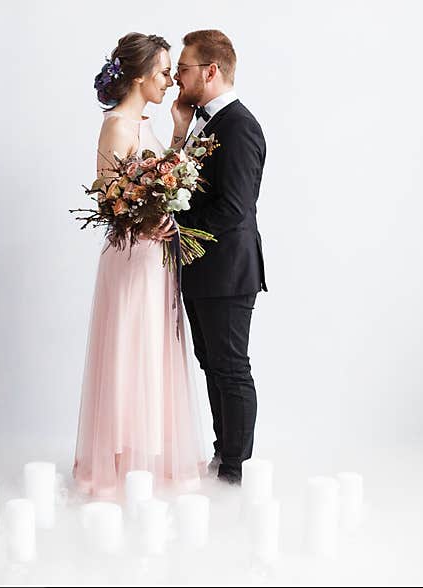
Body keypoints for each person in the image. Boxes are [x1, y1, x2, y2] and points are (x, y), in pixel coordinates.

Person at [72, 33, 208, 499]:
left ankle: (149, 453)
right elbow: (109, 199)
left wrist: (175, 129)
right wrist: (148, 222)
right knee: (130, 347)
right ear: (140, 76)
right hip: (132, 260)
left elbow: (164, 174)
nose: (172, 80)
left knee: (154, 348)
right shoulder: (117, 125)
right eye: (165, 72)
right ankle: (118, 462)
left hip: (156, 261)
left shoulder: (144, 122)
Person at [172, 30, 268, 485]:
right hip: (203, 270)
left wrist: (175, 230)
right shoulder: (205, 122)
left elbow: (234, 207)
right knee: (212, 362)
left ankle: (234, 469)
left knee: (231, 367)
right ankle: (221, 453)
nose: (175, 77)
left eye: (183, 68)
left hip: (228, 272)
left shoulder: (239, 125)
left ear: (210, 72)